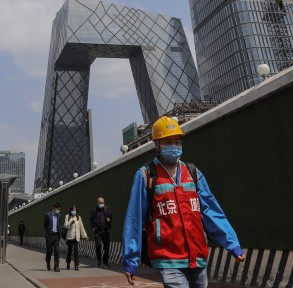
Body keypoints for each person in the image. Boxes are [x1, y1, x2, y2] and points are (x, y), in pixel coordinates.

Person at [121, 116, 245, 288]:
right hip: (168, 258)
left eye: (178, 141)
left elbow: (211, 211)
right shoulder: (145, 175)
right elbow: (134, 220)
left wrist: (232, 244)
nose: (174, 146)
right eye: (168, 141)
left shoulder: (193, 173)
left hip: (197, 257)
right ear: (157, 144)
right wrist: (130, 260)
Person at [90, 196, 113, 267]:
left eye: (102, 203)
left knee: (106, 247)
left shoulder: (106, 209)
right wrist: (93, 227)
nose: (101, 204)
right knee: (98, 245)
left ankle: (105, 262)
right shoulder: (94, 210)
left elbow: (110, 216)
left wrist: (109, 220)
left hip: (105, 231)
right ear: (98, 203)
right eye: (100, 203)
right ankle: (99, 260)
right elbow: (91, 219)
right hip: (97, 231)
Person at [63, 204, 88, 270]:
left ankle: (76, 265)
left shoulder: (78, 217)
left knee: (76, 250)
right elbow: (65, 225)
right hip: (70, 237)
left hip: (76, 237)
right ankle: (68, 263)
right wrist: (70, 223)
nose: (73, 211)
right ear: (70, 210)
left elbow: (81, 227)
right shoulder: (67, 216)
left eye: (75, 210)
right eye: (72, 210)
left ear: (76, 211)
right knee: (70, 251)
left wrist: (85, 236)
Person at [43, 201, 62, 272]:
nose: (58, 210)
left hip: (56, 235)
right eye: (57, 209)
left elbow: (58, 224)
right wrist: (48, 232)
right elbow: (45, 225)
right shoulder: (48, 215)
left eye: (59, 209)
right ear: (54, 208)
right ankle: (48, 263)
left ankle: (56, 266)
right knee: (49, 251)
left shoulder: (59, 215)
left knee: (57, 250)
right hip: (50, 235)